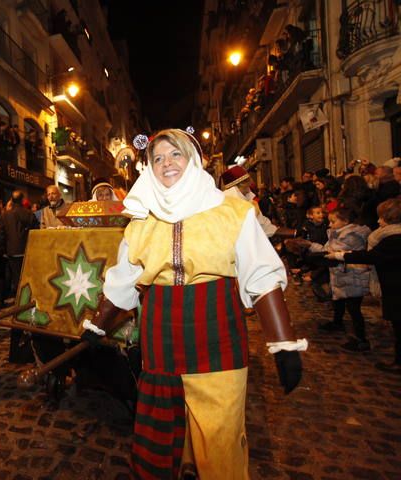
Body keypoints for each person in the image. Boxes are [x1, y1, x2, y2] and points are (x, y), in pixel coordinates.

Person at [80, 129, 306, 479]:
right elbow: (124, 278)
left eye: (176, 154)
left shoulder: (233, 212)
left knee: (220, 439)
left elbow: (260, 275)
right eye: (157, 158)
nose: (166, 163)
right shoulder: (141, 222)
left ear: (194, 159)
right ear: (148, 168)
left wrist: (284, 344)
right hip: (160, 346)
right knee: (160, 438)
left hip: (218, 338)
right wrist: (98, 324)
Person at [328, 198, 401, 372]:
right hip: (394, 286)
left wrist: (341, 256)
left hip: (396, 288)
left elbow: (372, 257)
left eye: (382, 217)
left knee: (399, 327)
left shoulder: (394, 238)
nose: (378, 221)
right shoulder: (390, 236)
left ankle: (399, 363)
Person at [307, 208, 371, 351]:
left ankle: (361, 339)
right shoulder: (337, 233)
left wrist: (311, 247)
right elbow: (326, 249)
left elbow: (333, 252)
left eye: (333, 221)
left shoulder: (352, 235)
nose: (330, 224)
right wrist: (310, 246)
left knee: (354, 309)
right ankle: (337, 322)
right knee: (339, 301)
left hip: (353, 275)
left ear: (346, 221)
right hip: (342, 274)